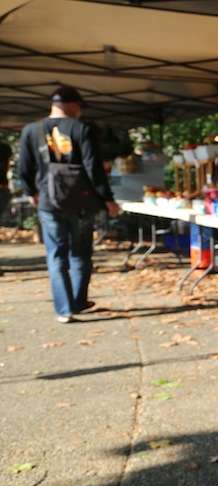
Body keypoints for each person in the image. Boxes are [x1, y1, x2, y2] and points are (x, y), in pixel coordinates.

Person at [17, 85, 120, 323]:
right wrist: (107, 198)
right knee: (81, 253)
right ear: (72, 105)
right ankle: (78, 300)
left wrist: (31, 192)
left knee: (56, 255)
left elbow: (23, 168)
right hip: (81, 201)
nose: (80, 111)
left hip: (48, 201)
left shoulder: (31, 131)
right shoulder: (81, 129)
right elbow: (94, 168)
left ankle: (64, 309)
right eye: (79, 107)